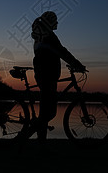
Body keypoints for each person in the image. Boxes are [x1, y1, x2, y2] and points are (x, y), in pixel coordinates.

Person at [31, 11, 86, 141]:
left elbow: (57, 52)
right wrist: (76, 64)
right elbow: (62, 51)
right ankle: (37, 137)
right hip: (47, 75)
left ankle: (40, 137)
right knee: (48, 111)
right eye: (54, 21)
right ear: (50, 22)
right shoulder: (49, 37)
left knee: (47, 109)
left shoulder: (40, 35)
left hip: (43, 74)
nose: (56, 24)